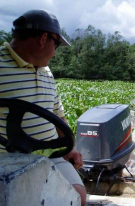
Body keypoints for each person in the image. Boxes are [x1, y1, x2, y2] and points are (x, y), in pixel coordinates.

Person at [0, 9, 86, 206]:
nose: (55, 53)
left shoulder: (46, 71)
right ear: (43, 39)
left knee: (78, 198)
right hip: (5, 161)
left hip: (50, 154)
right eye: (56, 45)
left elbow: (57, 113)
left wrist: (70, 148)